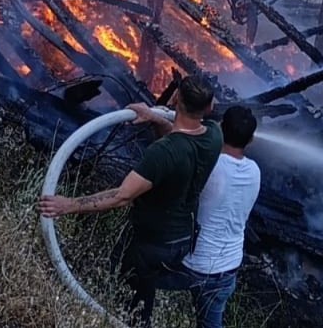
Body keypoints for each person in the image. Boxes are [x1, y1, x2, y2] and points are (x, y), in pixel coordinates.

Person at [37, 75, 222, 326]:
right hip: (183, 241)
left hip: (152, 244)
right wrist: (154, 116)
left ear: (175, 98)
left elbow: (122, 195)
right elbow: (183, 142)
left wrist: (69, 204)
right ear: (210, 107)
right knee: (126, 277)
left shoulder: (161, 153)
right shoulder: (214, 136)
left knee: (136, 309)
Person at [168, 105, 261, 328]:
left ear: (220, 128)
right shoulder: (255, 171)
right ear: (251, 140)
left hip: (191, 265)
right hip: (228, 269)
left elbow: (175, 145)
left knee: (138, 271)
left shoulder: (209, 165)